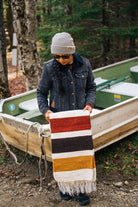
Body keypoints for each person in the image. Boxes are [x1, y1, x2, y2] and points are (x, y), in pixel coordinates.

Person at [37, 32, 96, 205]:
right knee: (63, 155)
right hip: (59, 119)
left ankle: (81, 189)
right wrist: (46, 111)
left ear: (72, 52)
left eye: (65, 56)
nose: (61, 60)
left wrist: (90, 104)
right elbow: (41, 92)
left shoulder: (84, 64)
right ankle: (65, 187)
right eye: (57, 56)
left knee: (80, 154)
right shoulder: (49, 67)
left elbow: (91, 87)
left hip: (80, 119)